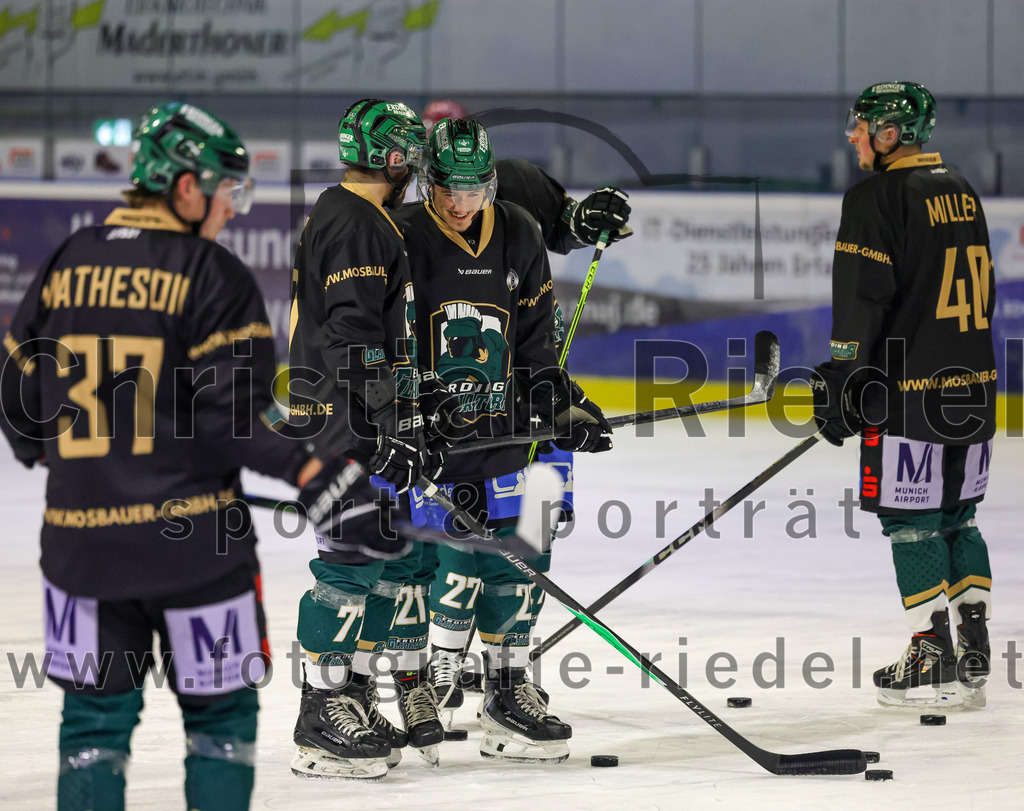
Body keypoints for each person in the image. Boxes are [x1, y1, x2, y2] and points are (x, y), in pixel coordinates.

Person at [0, 101, 322, 811]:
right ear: (185, 187)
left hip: (81, 548)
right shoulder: (211, 273)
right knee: (220, 724)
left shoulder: (67, 259)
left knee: (92, 726)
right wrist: (312, 470)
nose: (231, 208)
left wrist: (65, 458)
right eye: (227, 190)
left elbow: (17, 386)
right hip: (196, 551)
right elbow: (235, 419)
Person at [391, 117, 614, 763]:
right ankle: (418, 681)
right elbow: (390, 339)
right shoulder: (401, 234)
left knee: (521, 555)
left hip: (504, 430)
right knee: (427, 561)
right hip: (434, 439)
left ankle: (508, 690)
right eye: (447, 190)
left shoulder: (518, 227)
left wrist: (560, 406)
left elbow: (536, 341)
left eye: (472, 190)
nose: (460, 204)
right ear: (426, 182)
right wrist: (408, 416)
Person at [811, 81, 996, 711]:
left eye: (863, 128)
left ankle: (931, 653)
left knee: (910, 522)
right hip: (973, 385)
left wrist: (844, 376)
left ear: (892, 134)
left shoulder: (875, 196)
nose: (853, 137)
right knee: (958, 516)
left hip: (909, 393)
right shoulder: (962, 188)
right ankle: (973, 646)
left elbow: (862, 295)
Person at [286, 97, 449, 781]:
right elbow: (351, 336)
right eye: (412, 157)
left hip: (353, 418)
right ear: (393, 159)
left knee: (377, 560)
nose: (419, 170)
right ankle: (320, 714)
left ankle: (349, 697)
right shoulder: (356, 222)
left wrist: (406, 410)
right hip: (342, 424)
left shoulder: (356, 215)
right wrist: (386, 420)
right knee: (348, 563)